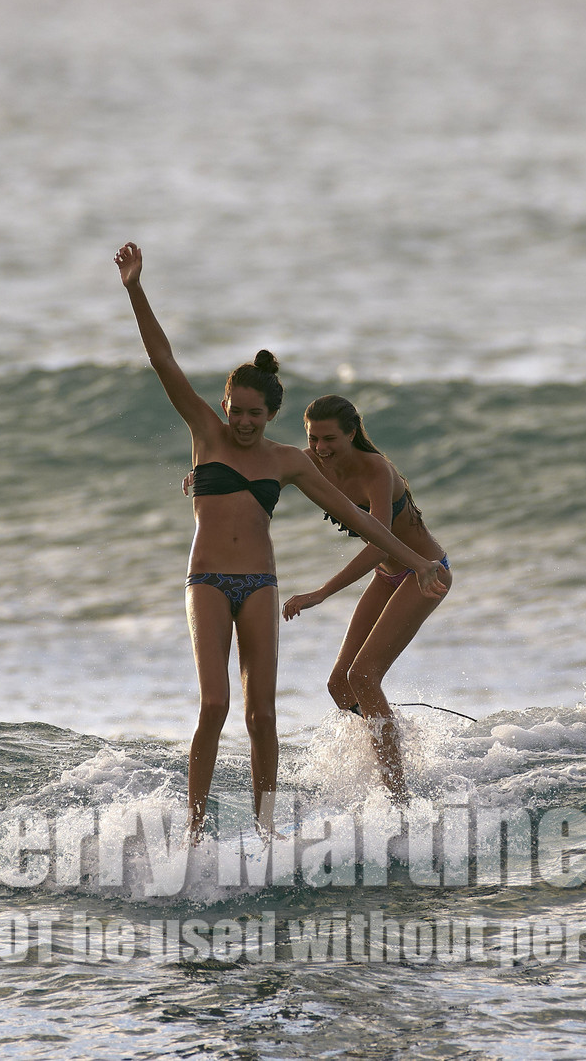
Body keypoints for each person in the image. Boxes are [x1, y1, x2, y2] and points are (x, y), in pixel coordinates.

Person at [114, 242, 448, 837]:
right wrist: (136, 289)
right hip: (206, 580)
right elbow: (163, 359)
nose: (243, 422)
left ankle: (267, 831)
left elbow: (364, 521)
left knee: (262, 716)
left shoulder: (289, 460)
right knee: (214, 705)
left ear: (270, 414)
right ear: (223, 406)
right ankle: (194, 832)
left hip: (261, 585)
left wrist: (416, 563)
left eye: (255, 414)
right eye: (236, 411)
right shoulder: (205, 433)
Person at [281, 394, 453, 797]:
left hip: (425, 573)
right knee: (340, 686)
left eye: (329, 439)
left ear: (352, 433)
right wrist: (204, 473)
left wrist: (322, 593)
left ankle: (398, 794)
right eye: (313, 438)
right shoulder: (309, 462)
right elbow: (256, 468)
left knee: (363, 676)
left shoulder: (376, 469)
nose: (320, 448)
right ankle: (390, 740)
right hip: (387, 576)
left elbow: (379, 544)